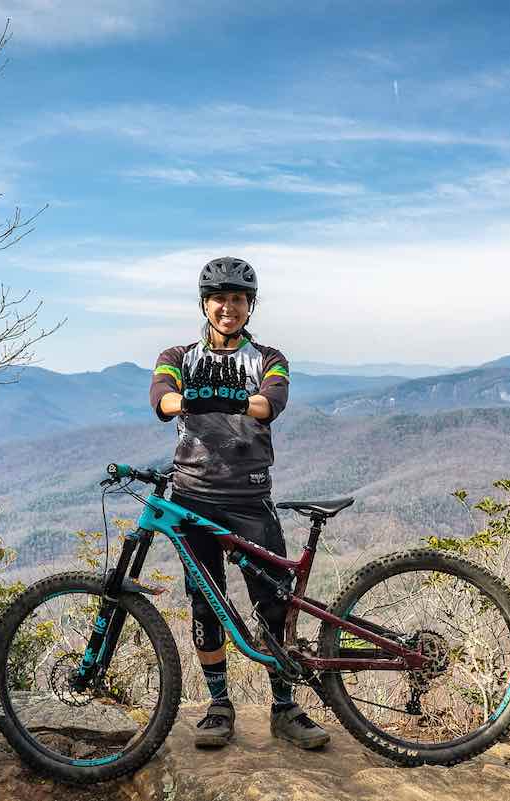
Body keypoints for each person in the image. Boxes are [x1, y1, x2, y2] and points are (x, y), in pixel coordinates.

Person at [148, 256, 330, 751]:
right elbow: (162, 398)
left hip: (250, 497)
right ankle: (219, 706)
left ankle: (284, 706)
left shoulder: (270, 357)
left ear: (250, 307)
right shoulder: (177, 354)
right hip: (192, 498)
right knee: (206, 606)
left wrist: (224, 398)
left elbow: (270, 403)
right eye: (219, 299)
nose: (228, 307)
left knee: (271, 604)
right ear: (205, 304)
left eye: (237, 299)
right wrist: (188, 398)